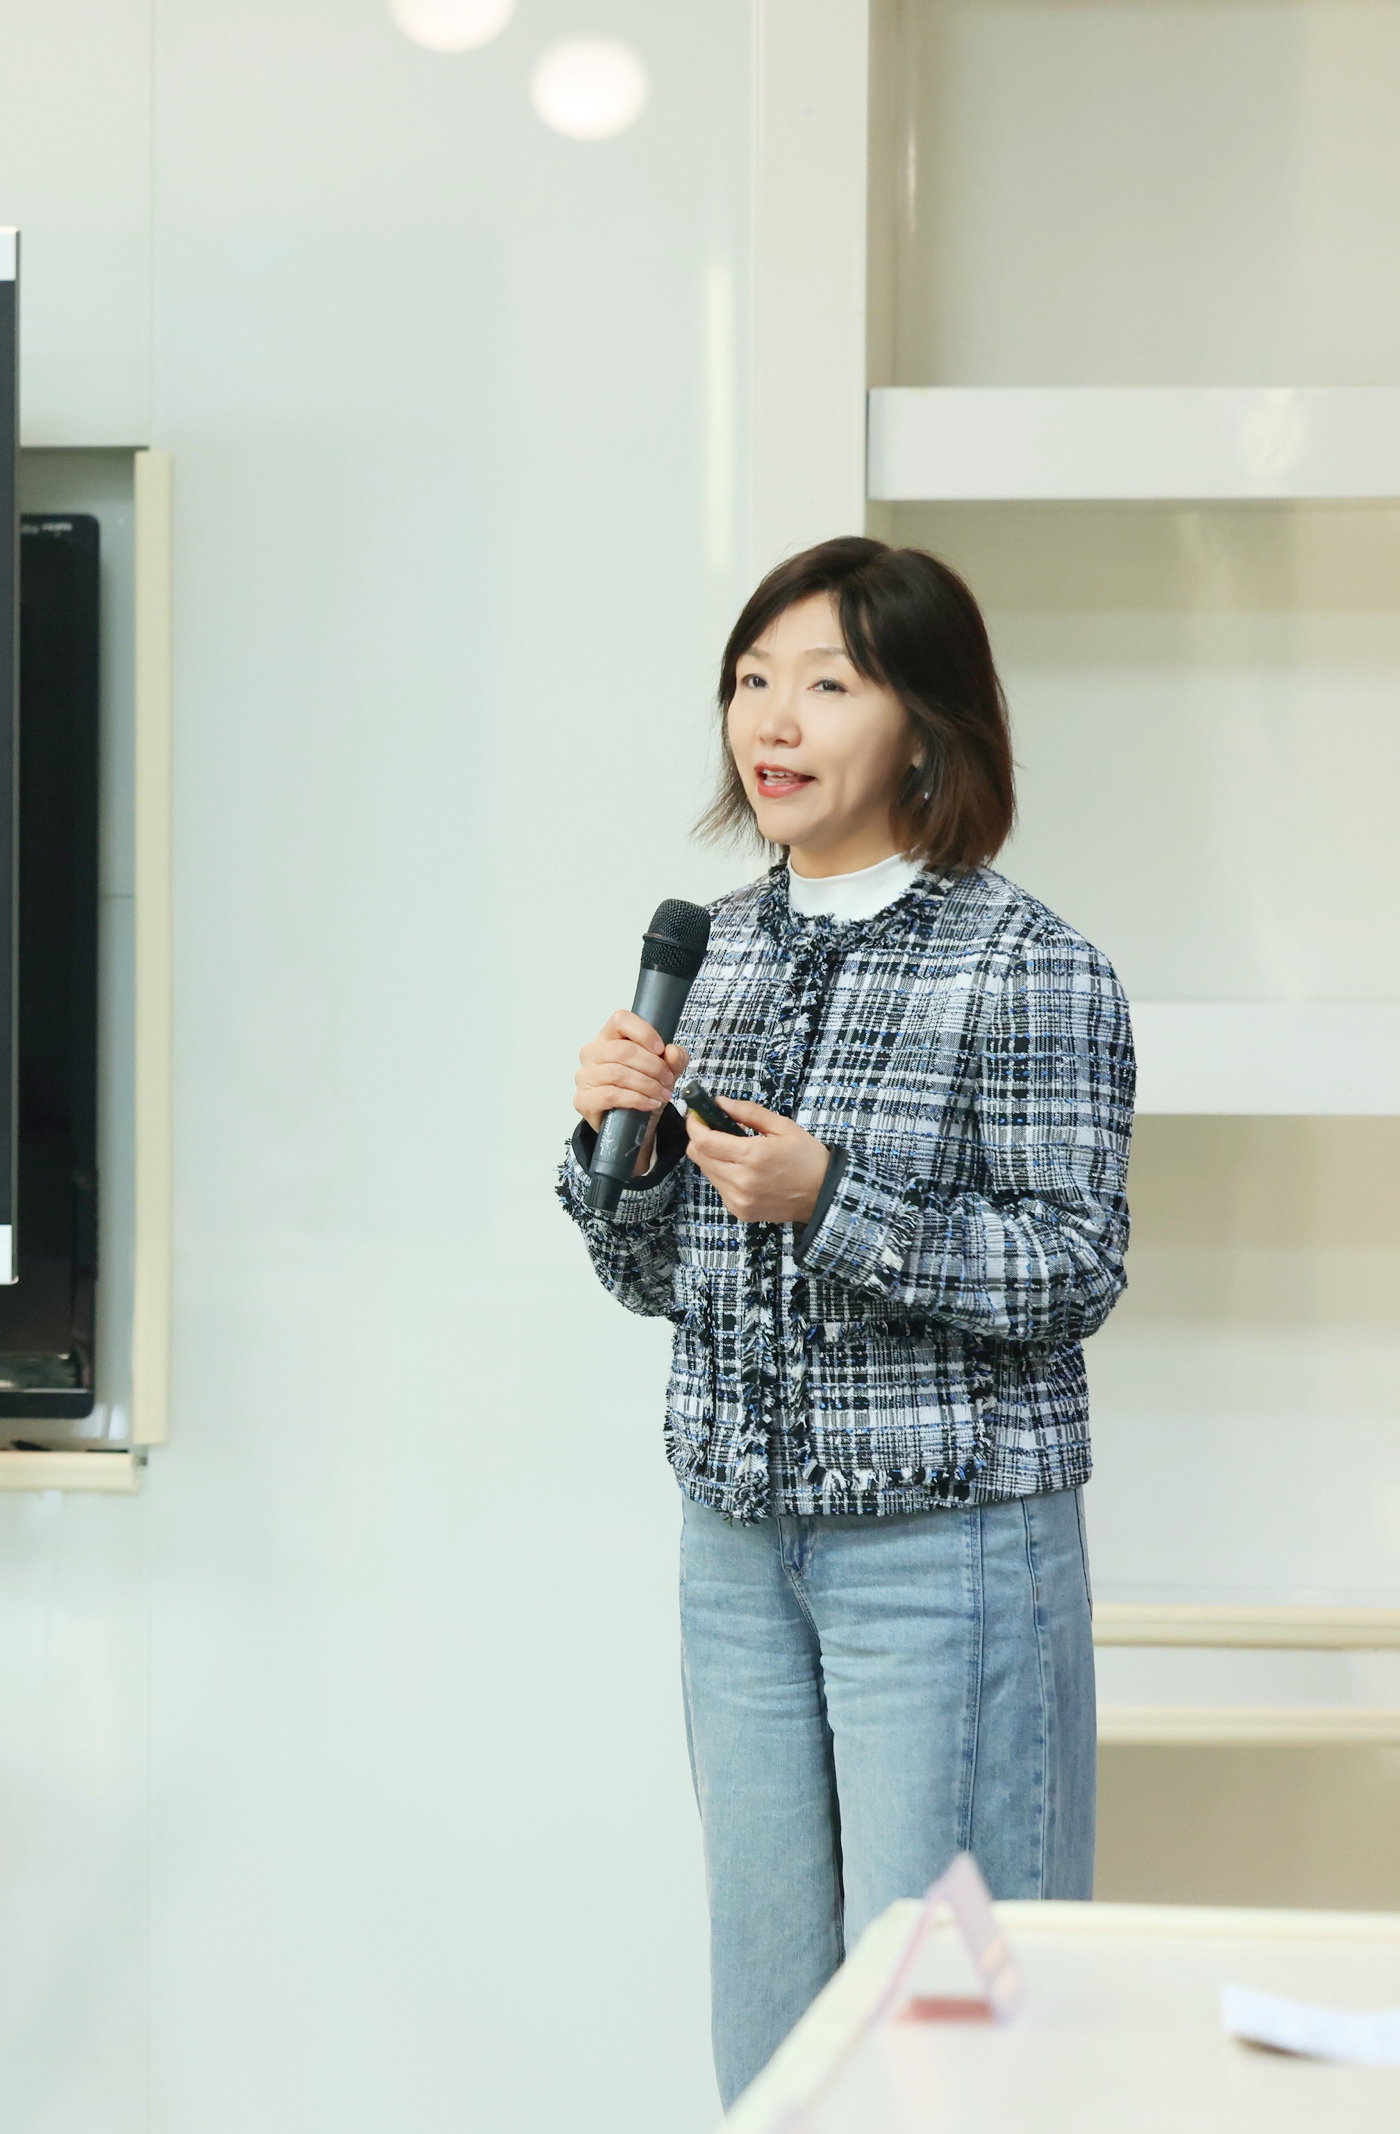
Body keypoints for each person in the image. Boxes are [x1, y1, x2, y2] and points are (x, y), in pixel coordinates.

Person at [556, 537, 1134, 2105]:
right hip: (740, 1557)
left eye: (827, 684)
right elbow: (657, 1278)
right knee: (772, 2031)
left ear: (927, 727)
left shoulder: (1030, 965)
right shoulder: (714, 952)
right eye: (753, 680)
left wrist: (832, 1199)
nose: (775, 720)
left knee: (947, 2048)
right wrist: (617, 1156)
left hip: (948, 1558)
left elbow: (1073, 1267)